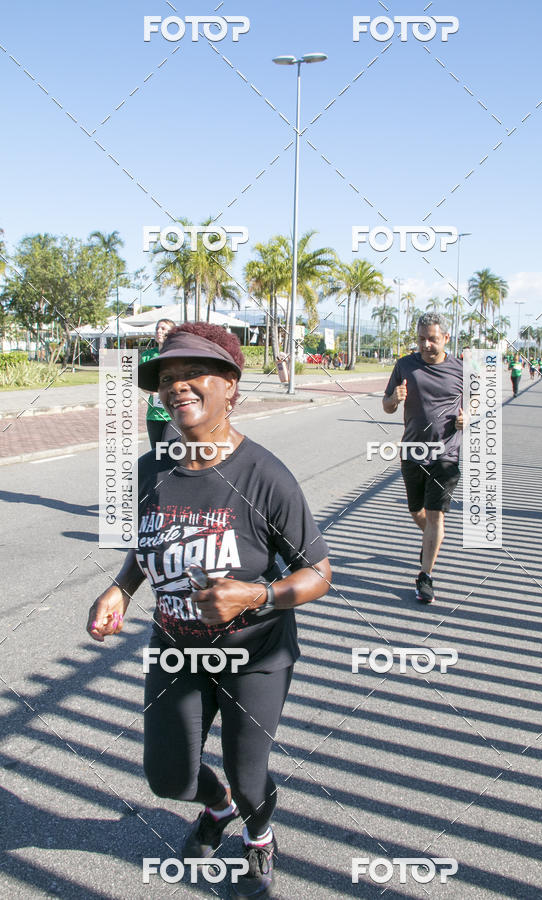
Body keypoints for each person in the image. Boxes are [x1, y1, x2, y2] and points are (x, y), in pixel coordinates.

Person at [87, 323, 331, 898]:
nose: (177, 388)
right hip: (176, 651)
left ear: (230, 385)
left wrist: (257, 595)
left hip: (255, 655)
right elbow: (149, 545)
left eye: (193, 374)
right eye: (167, 379)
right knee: (169, 778)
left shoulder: (263, 475)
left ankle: (258, 836)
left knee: (252, 782)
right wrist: (121, 589)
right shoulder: (151, 472)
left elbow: (319, 572)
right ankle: (216, 808)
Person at [382, 313, 463, 605]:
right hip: (413, 450)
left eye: (432, 339)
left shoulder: (461, 368)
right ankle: (432, 539)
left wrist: (470, 416)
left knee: (435, 515)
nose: (426, 344)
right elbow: (387, 406)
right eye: (421, 339)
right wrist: (396, 398)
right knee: (417, 512)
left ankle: (425, 575)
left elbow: (477, 401)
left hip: (446, 452)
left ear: (446, 339)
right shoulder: (405, 365)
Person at [140, 318, 176, 449]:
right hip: (154, 415)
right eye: (157, 329)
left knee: (172, 453)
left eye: (163, 328)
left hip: (174, 414)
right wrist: (154, 392)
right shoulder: (148, 356)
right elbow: (142, 382)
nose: (159, 331)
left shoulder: (177, 355)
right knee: (156, 454)